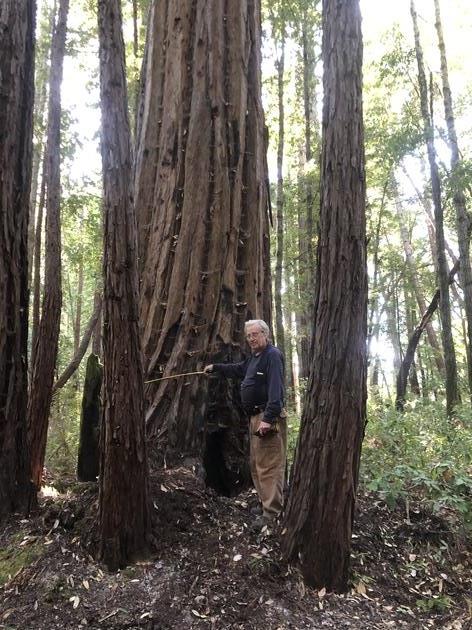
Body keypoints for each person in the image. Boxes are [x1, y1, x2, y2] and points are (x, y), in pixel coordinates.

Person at [204, 320, 287, 527]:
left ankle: (272, 513)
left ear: (265, 334)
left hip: (267, 417)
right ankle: (265, 503)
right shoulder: (254, 359)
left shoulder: (272, 356)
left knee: (269, 465)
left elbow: (276, 391)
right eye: (248, 335)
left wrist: (268, 419)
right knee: (256, 465)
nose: (251, 338)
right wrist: (216, 368)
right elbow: (237, 369)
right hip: (254, 418)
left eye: (255, 334)